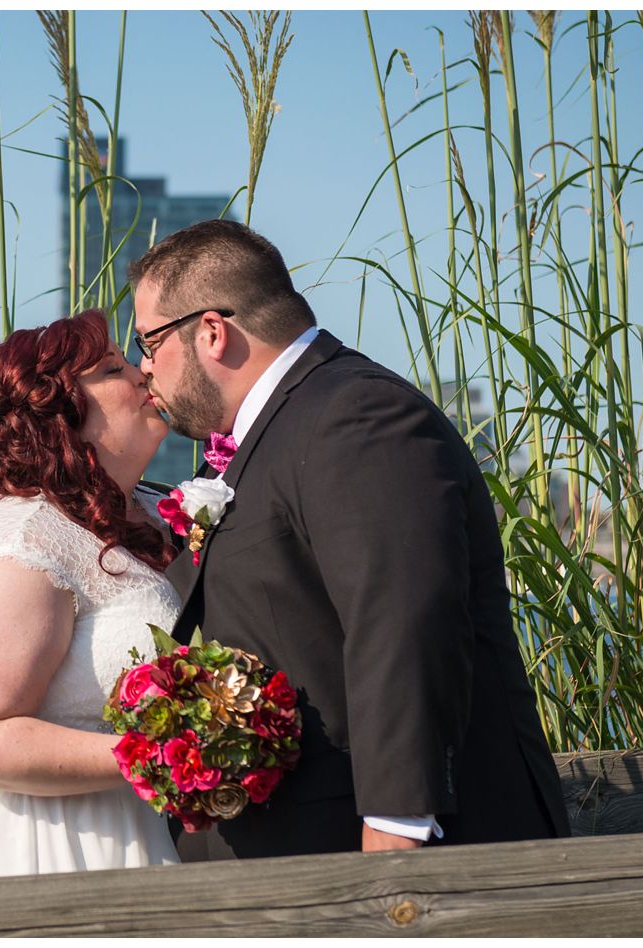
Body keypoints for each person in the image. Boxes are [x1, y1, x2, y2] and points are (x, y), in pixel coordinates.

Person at [129, 219, 569, 860]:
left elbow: (403, 619)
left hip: (402, 854)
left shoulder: (355, 417)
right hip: (304, 846)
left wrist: (397, 822)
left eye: (149, 342)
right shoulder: (261, 438)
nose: (145, 369)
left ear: (212, 333)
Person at [0, 310, 184, 883]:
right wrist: (160, 753)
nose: (144, 374)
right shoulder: (19, 545)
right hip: (41, 848)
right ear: (61, 410)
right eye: (113, 368)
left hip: (140, 834)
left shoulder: (148, 515)